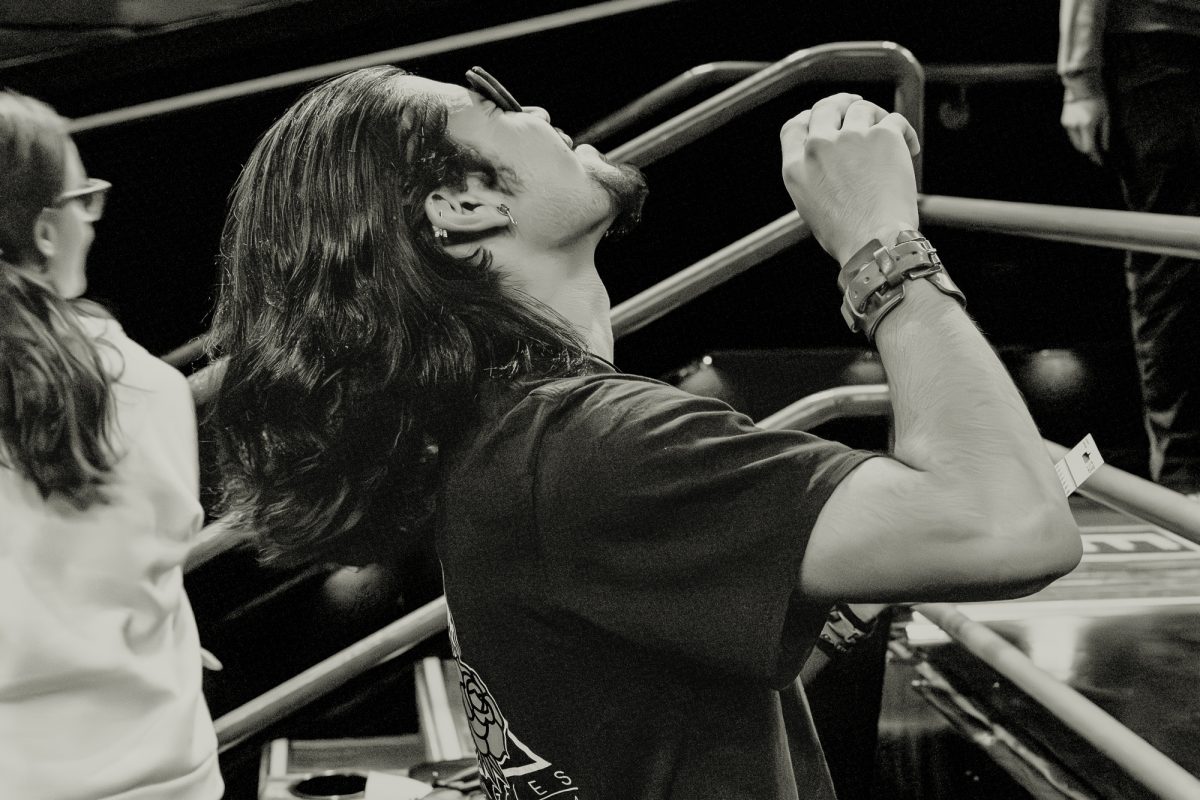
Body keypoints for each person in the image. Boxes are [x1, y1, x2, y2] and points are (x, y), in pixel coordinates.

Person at [207, 66, 1081, 799]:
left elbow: (645, 698)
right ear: (463, 202)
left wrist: (849, 557)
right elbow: (1013, 527)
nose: (542, 113)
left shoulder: (512, 433)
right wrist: (881, 246)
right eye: (499, 105)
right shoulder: (592, 446)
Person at [0, 91, 223, 800]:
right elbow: (155, 554)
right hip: (161, 774)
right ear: (43, 232)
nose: (93, 225)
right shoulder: (145, 387)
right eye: (83, 201)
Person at [1058, 0, 1200, 493]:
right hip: (1159, 45)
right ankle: (1184, 473)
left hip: (1165, 44)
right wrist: (1079, 78)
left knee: (1173, 260)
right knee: (1172, 261)